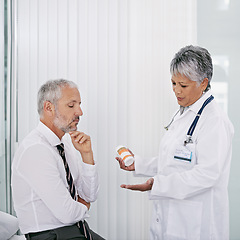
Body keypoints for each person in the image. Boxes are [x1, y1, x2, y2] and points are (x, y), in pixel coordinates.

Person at [116, 45, 234, 240]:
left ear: (203, 83)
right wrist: (140, 164)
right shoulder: (184, 112)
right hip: (172, 219)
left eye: (183, 85)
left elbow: (208, 174)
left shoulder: (215, 121)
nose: (176, 91)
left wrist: (157, 183)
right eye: (173, 83)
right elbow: (175, 161)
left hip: (197, 225)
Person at [11, 79, 104, 240]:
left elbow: (89, 195)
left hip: (76, 229)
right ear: (49, 107)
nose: (80, 112)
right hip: (51, 235)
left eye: (79, 104)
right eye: (71, 105)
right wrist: (85, 207)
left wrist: (87, 155)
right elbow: (68, 214)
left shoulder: (65, 143)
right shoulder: (36, 149)